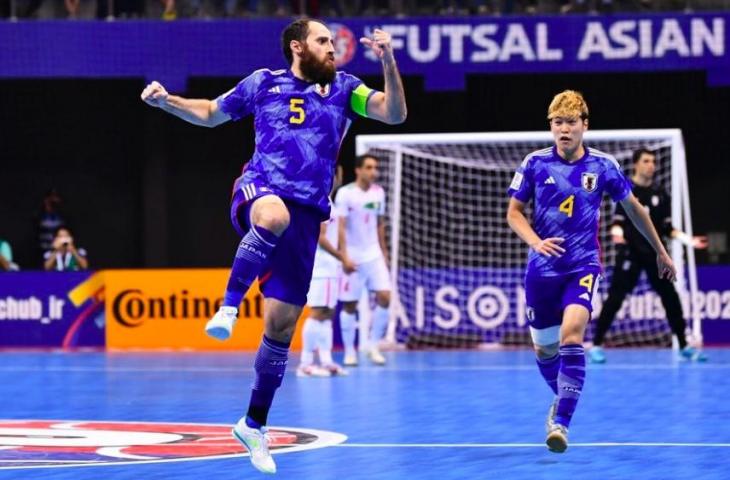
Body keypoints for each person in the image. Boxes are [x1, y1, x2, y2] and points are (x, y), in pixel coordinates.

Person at [140, 18, 406, 474]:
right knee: (272, 215)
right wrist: (167, 102)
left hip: (306, 217)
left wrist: (388, 62)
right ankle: (227, 306)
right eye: (323, 41)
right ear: (298, 47)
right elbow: (209, 113)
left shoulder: (346, 88)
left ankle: (253, 423)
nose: (332, 49)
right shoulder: (263, 83)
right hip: (260, 190)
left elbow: (393, 113)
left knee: (281, 328)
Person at [506, 90, 676, 454]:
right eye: (557, 123)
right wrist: (536, 242)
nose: (563, 130)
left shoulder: (603, 167)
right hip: (541, 269)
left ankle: (562, 423)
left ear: (585, 125)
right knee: (544, 351)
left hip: (583, 265)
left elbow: (634, 209)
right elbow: (514, 213)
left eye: (570, 122)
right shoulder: (535, 163)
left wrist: (661, 251)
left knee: (572, 336)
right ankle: (562, 400)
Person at [589, 148, 708, 363]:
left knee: (670, 297)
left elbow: (668, 228)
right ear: (636, 164)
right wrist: (616, 233)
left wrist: (689, 240)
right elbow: (617, 222)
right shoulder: (626, 189)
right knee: (615, 298)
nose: (651, 165)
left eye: (653, 161)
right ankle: (596, 345)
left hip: (655, 254)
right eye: (646, 161)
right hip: (630, 253)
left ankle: (683, 345)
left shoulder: (660, 192)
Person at [336, 154, 391, 366]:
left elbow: (379, 224)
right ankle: (350, 351)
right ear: (358, 170)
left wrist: (384, 253)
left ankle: (373, 346)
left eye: (375, 167)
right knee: (350, 305)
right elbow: (340, 227)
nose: (373, 171)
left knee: (385, 297)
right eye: (368, 167)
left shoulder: (379, 193)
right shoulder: (345, 194)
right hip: (354, 255)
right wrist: (344, 256)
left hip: (374, 254)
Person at [297, 168, 349, 378]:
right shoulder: (320, 200)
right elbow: (321, 237)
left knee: (328, 314)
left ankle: (326, 361)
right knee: (318, 312)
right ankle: (306, 363)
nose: (336, 178)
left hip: (329, 267)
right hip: (320, 267)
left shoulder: (329, 200)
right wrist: (342, 257)